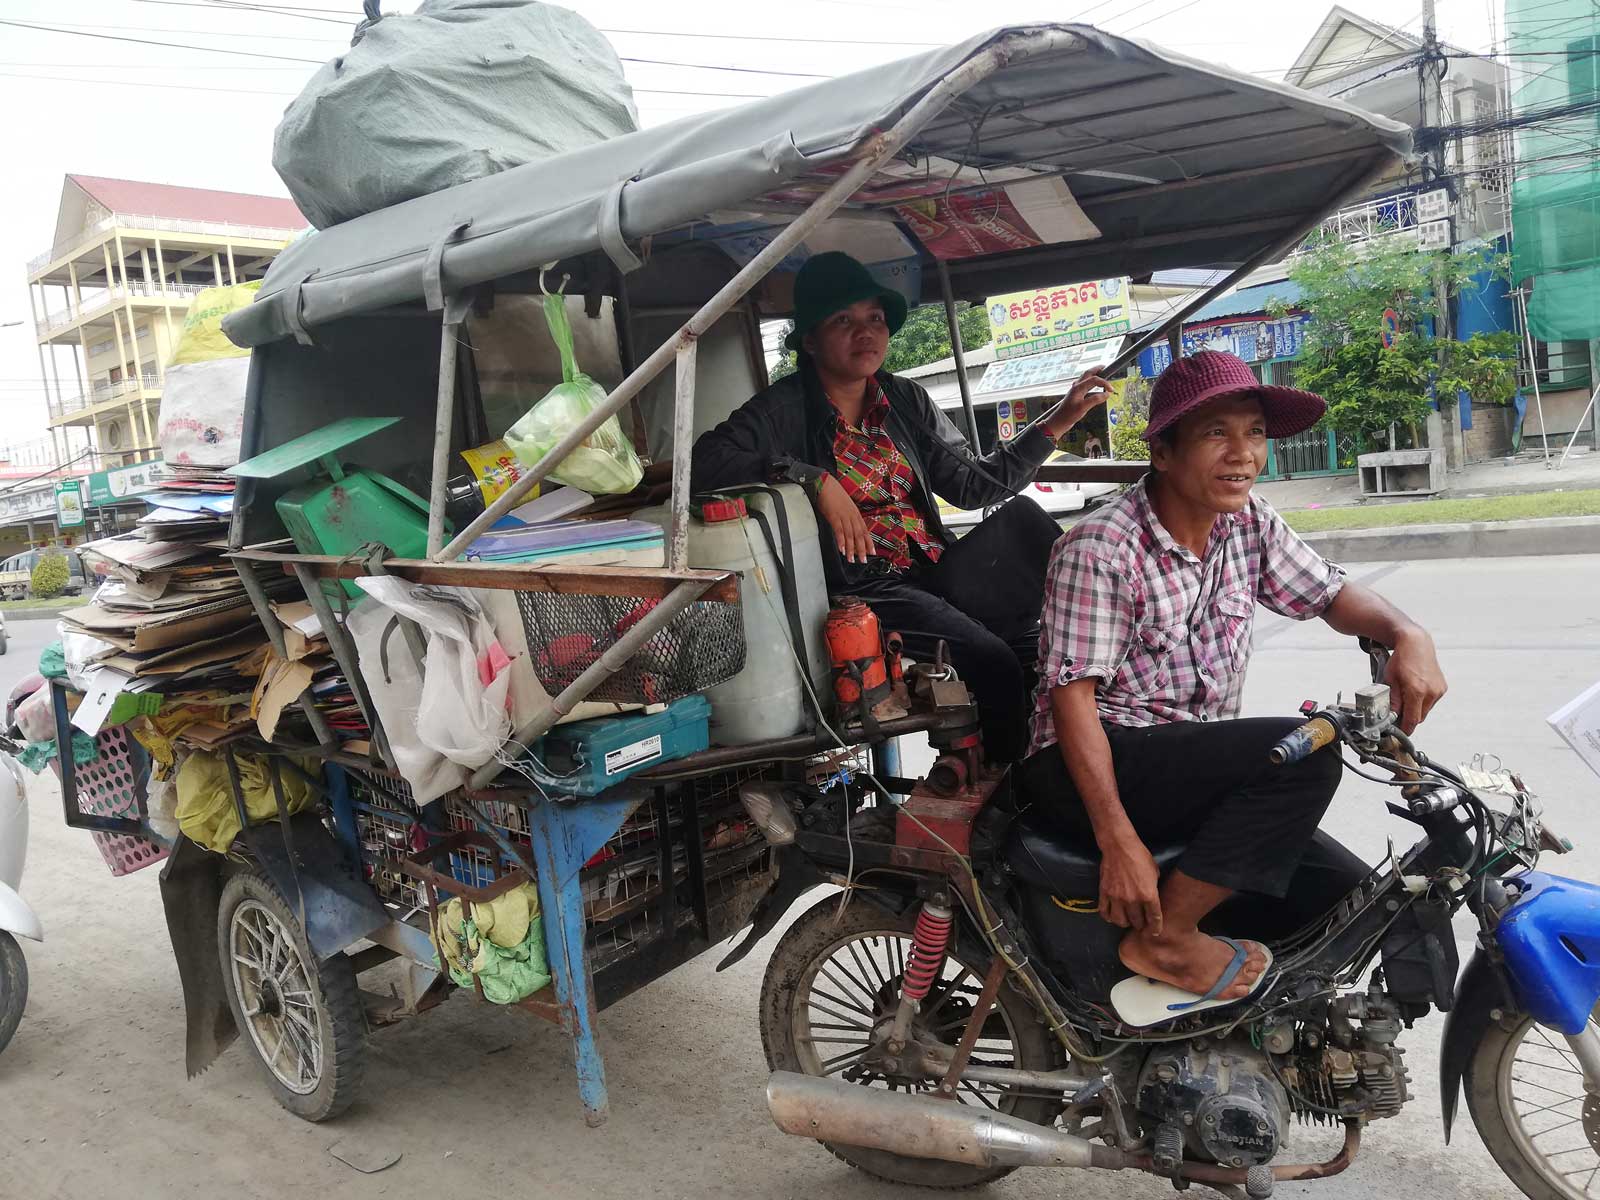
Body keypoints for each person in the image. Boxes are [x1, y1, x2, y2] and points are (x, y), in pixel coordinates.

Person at [1018, 349, 1448, 1005]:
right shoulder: (1102, 546)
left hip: (1175, 758)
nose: (1242, 454)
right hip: (1084, 765)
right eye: (1216, 433)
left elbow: (1329, 594)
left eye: (1253, 434)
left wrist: (1408, 634)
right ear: (1163, 452)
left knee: (1359, 903)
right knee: (1305, 757)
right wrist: (1120, 843)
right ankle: (1166, 936)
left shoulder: (1247, 521)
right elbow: (1071, 702)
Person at [692, 251, 1107, 761]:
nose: (865, 332)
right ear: (810, 340)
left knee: (1039, 632)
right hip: (865, 588)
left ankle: (1063, 767)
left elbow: (973, 487)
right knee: (996, 663)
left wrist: (1059, 420)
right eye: (843, 320)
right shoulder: (783, 409)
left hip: (937, 571)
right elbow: (705, 461)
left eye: (875, 319)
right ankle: (1010, 798)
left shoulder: (903, 401)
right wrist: (811, 478)